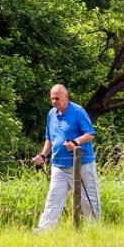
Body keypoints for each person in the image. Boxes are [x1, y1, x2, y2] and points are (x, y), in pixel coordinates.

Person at [32, 85, 101, 230]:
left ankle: (94, 230)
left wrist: (75, 142)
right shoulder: (51, 114)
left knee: (88, 200)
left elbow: (90, 134)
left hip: (82, 164)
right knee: (53, 199)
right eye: (52, 98)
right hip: (59, 165)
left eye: (57, 98)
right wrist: (43, 155)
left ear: (66, 97)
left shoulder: (78, 111)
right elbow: (49, 139)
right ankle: (43, 231)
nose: (54, 101)